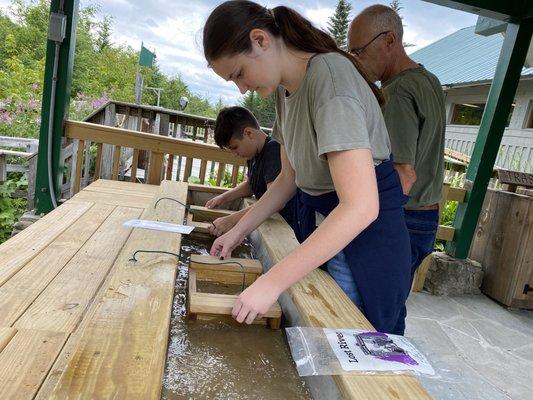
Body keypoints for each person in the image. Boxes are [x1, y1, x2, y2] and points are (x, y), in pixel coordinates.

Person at [202, 0, 411, 333]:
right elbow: (287, 180)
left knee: (351, 341)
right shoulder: (285, 92)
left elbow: (360, 206)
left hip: (363, 237)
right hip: (321, 223)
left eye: (239, 73)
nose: (241, 89)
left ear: (261, 40)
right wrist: (237, 231)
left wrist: (271, 282)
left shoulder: (329, 77)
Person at [348, 5, 446, 334]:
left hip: (404, 217)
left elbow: (404, 175)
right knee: (392, 303)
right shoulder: (429, 80)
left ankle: (386, 380)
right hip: (426, 216)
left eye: (358, 51)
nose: (356, 60)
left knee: (378, 313)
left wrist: (362, 221)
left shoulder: (398, 92)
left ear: (389, 40)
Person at [205, 106, 299, 239]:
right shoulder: (253, 155)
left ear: (248, 133)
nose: (235, 154)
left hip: (286, 227)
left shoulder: (273, 150)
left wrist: (231, 220)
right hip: (269, 220)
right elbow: (250, 185)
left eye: (234, 147)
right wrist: (224, 198)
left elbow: (275, 202)